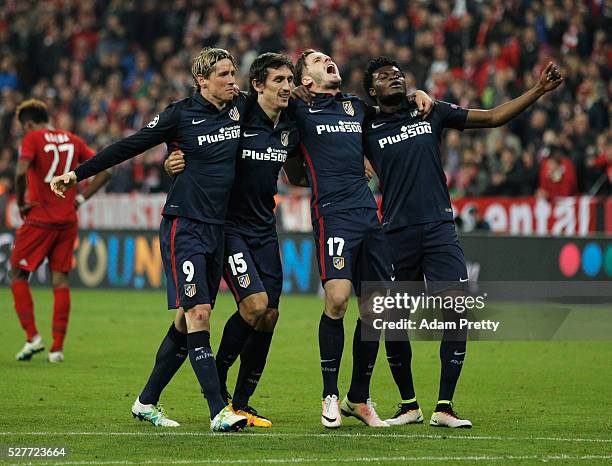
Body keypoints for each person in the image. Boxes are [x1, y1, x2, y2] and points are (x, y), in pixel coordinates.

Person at [50, 47, 249, 432]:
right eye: (223, 74)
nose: (231, 80)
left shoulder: (241, 108)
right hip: (185, 226)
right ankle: (218, 411)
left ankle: (145, 401)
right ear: (202, 81)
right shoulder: (180, 115)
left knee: (184, 319)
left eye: (232, 73)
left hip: (218, 227)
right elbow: (129, 145)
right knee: (199, 313)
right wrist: (77, 174)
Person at [362, 57, 563, 428]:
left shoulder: (430, 111)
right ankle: (408, 405)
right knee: (393, 319)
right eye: (384, 77)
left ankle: (444, 406)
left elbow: (492, 118)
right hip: (395, 231)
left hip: (439, 227)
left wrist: (538, 90)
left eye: (399, 74)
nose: (395, 78)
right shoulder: (365, 123)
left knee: (456, 309)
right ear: (371, 90)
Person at [163, 52, 306, 428]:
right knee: (255, 304)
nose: (287, 87)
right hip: (228, 228)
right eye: (279, 80)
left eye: (290, 80)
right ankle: (220, 382)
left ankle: (242, 401)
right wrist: (172, 156)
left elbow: (295, 170)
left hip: (265, 228)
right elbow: (195, 137)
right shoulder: (238, 114)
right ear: (257, 85)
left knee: (270, 314)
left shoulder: (291, 122)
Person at [291, 49, 432, 428]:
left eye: (327, 56)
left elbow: (391, 109)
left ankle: (359, 397)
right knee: (337, 300)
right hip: (333, 215)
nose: (328, 60)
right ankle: (330, 394)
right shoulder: (299, 109)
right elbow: (291, 172)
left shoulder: (356, 107)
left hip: (369, 215)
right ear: (305, 80)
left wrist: (417, 94)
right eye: (317, 61)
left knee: (377, 310)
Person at [11, 99, 110, 363]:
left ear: (29, 124)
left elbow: (20, 172)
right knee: (61, 280)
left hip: (40, 218)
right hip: (67, 219)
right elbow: (106, 170)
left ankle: (32, 337)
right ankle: (57, 349)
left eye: (23, 128)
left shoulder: (33, 138)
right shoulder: (72, 139)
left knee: (17, 273)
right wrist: (79, 200)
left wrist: (21, 203)